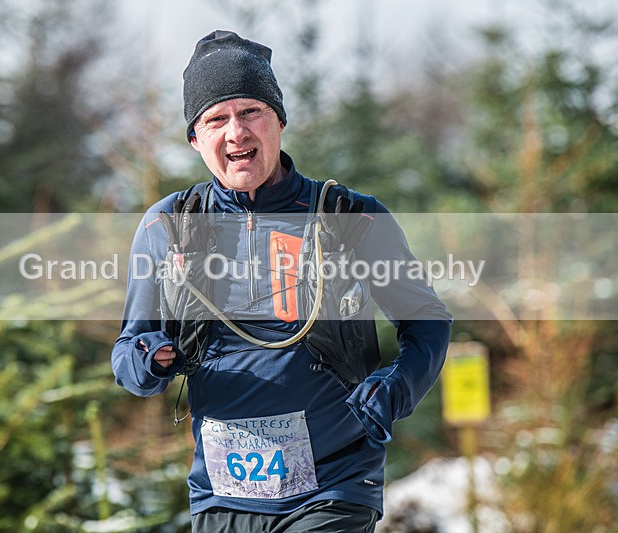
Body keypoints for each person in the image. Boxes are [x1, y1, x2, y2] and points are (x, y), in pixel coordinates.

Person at [111, 30, 452, 532]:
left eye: (251, 112)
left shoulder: (348, 215)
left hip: (335, 484)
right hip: (223, 495)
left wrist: (395, 389)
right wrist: (149, 359)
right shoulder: (168, 225)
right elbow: (127, 354)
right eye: (216, 119)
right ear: (195, 139)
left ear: (279, 121)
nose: (236, 133)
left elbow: (427, 322)